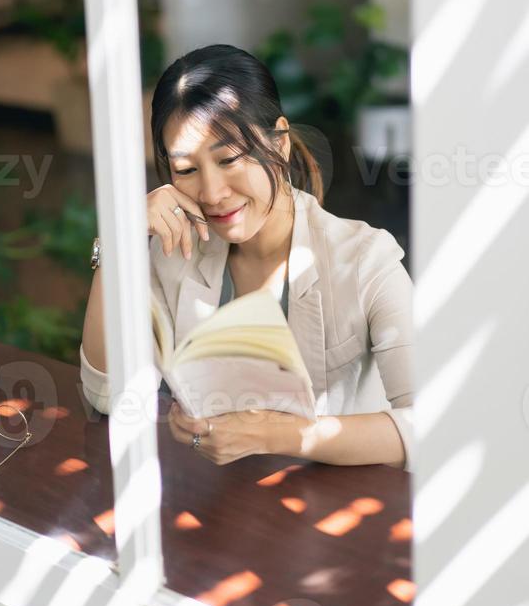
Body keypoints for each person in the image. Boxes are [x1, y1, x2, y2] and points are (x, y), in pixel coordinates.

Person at [81, 44, 414, 471]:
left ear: (280, 141)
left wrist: (276, 435)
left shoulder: (366, 261)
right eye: (186, 169)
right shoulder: (174, 249)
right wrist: (117, 239)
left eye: (229, 159)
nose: (212, 192)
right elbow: (107, 394)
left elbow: (427, 424)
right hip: (218, 504)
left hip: (334, 511)